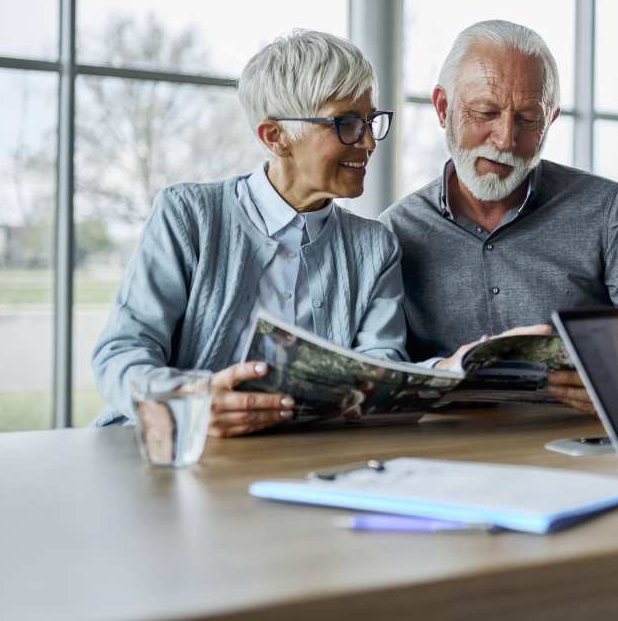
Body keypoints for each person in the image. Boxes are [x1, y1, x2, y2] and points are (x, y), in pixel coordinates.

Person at [380, 19, 618, 414]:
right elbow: (378, 375)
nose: (505, 139)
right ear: (443, 108)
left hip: (581, 444)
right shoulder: (396, 231)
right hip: (451, 452)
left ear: (550, 119)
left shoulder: (604, 208)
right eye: (485, 112)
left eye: (528, 118)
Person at [92, 30, 407, 437]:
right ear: (275, 137)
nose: (367, 141)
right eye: (345, 123)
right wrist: (190, 401)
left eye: (369, 121)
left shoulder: (375, 246)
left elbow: (381, 363)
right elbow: (121, 353)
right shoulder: (189, 216)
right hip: (184, 457)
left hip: (313, 461)